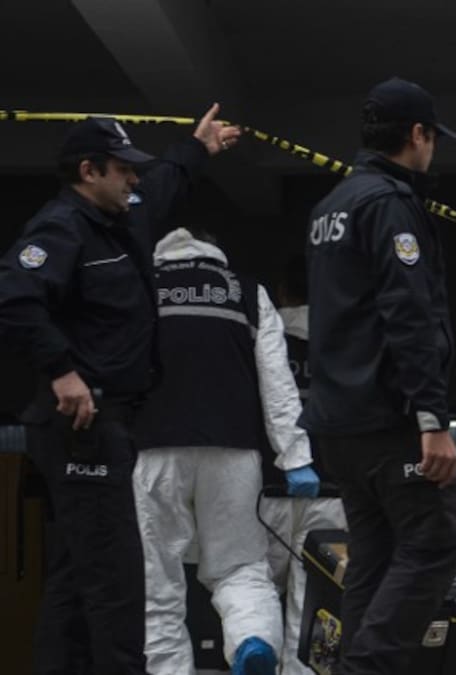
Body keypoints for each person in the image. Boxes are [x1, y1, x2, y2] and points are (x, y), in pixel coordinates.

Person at [0, 107, 237, 675]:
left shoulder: (122, 215)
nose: (134, 178)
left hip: (115, 422)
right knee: (117, 580)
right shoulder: (61, 227)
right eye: (123, 169)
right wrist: (62, 371)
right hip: (82, 424)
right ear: (89, 171)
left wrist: (198, 148)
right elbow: (13, 297)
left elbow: (163, 183)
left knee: (77, 576)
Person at [300, 76, 456, 675]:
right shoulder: (389, 204)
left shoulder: (329, 207)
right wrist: (432, 418)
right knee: (435, 543)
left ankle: (354, 664)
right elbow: (409, 314)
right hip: (388, 419)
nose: (433, 150)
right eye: (433, 138)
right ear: (417, 134)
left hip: (338, 423)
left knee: (373, 555)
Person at [132, 228, 317, 675]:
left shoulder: (140, 288)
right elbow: (277, 381)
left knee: (159, 577)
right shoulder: (246, 292)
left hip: (156, 449)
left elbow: (116, 364)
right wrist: (296, 457)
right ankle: (253, 639)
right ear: (215, 251)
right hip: (233, 452)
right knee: (239, 566)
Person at [259, 255, 347, 675]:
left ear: (281, 293)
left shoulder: (261, 338)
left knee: (253, 595)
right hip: (332, 494)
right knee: (318, 608)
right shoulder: (346, 344)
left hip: (267, 493)